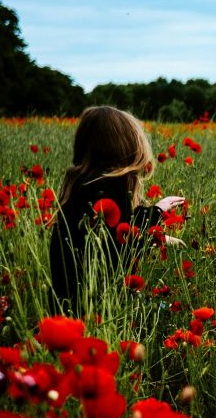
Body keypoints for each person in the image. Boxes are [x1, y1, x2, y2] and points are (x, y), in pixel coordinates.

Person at [48, 106, 185, 314]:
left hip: (65, 304)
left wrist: (160, 234)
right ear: (125, 148)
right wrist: (156, 212)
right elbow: (120, 247)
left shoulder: (80, 185)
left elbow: (115, 231)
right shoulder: (110, 189)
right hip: (95, 305)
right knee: (169, 311)